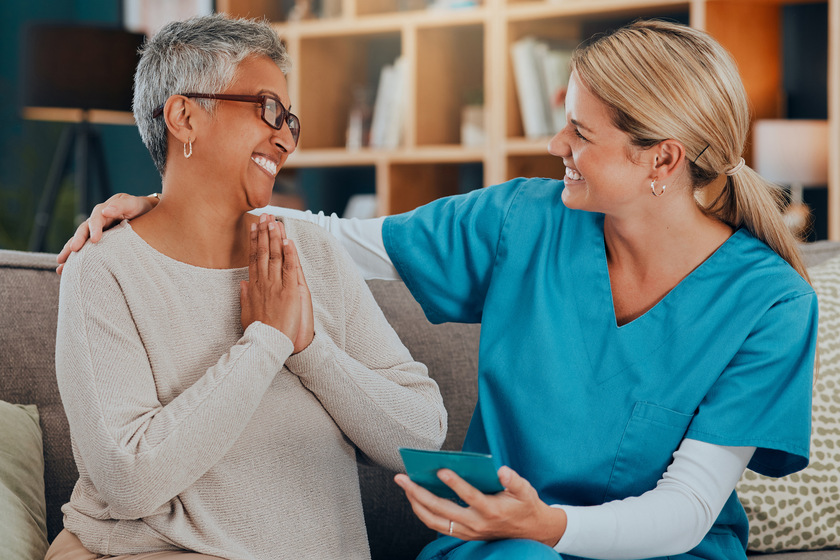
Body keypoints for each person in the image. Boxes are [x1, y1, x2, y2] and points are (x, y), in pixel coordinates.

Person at [59, 20, 818, 560]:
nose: (557, 146)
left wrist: (550, 526)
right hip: (495, 542)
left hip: (655, 550)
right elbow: (338, 236)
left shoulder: (771, 302)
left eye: (581, 134)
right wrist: (161, 205)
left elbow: (686, 510)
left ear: (663, 160)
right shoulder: (522, 220)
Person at [48, 14, 447, 560]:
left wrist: (307, 348)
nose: (284, 136)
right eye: (267, 109)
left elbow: (424, 436)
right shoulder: (105, 269)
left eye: (290, 120)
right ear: (184, 116)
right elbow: (127, 480)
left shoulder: (313, 255)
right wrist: (264, 343)